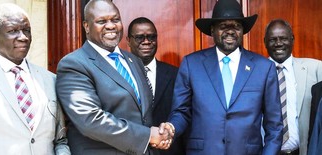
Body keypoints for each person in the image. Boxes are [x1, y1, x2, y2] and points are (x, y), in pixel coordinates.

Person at [160, 0, 283, 154]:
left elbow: (274, 127)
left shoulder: (264, 68)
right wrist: (171, 127)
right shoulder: (191, 64)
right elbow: (181, 111)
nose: (230, 32)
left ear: (243, 31)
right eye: (223, 26)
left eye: (236, 27)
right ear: (212, 30)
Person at [55, 0, 171, 155]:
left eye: (115, 20)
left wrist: (162, 133)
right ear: (86, 26)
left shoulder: (134, 61)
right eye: (101, 21)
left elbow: (143, 115)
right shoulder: (74, 64)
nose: (111, 26)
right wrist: (148, 136)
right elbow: (90, 120)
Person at [0, 3, 70, 155]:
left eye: (27, 31)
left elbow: (60, 141)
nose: (23, 37)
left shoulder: (50, 80)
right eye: (13, 31)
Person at [126, 17, 185, 155]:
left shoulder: (176, 74)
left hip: (168, 150)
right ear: (128, 41)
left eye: (151, 37)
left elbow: (182, 112)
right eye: (140, 37)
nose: (146, 41)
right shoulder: (119, 74)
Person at [264, 19, 322, 155]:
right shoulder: (255, 73)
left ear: (292, 39)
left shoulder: (316, 69)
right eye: (273, 39)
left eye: (283, 38)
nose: (278, 43)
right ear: (265, 41)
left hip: (303, 151)